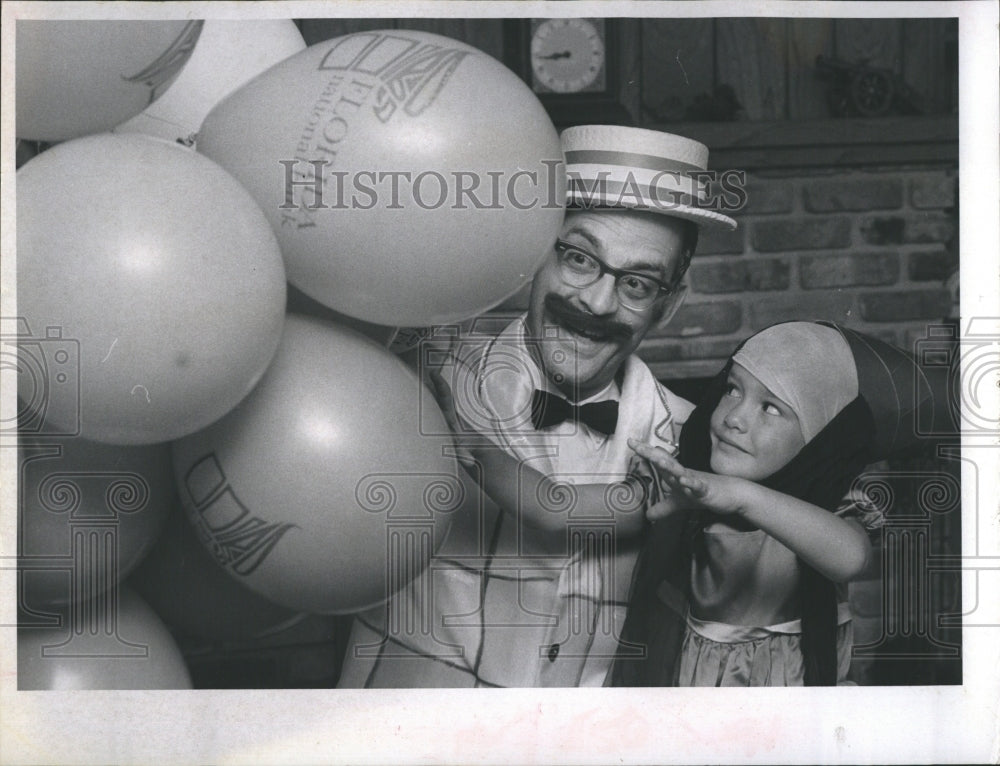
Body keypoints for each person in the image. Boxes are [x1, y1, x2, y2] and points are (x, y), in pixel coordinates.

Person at [335, 124, 737, 688]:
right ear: (533, 252)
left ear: (668, 307)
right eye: (577, 258)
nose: (596, 301)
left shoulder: (698, 446)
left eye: (638, 285)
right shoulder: (419, 374)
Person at [616, 321, 884, 687]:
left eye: (771, 408)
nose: (734, 418)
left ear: (817, 436)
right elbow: (569, 513)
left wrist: (740, 496)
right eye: (732, 389)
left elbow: (852, 558)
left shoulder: (827, 499)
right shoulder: (689, 479)